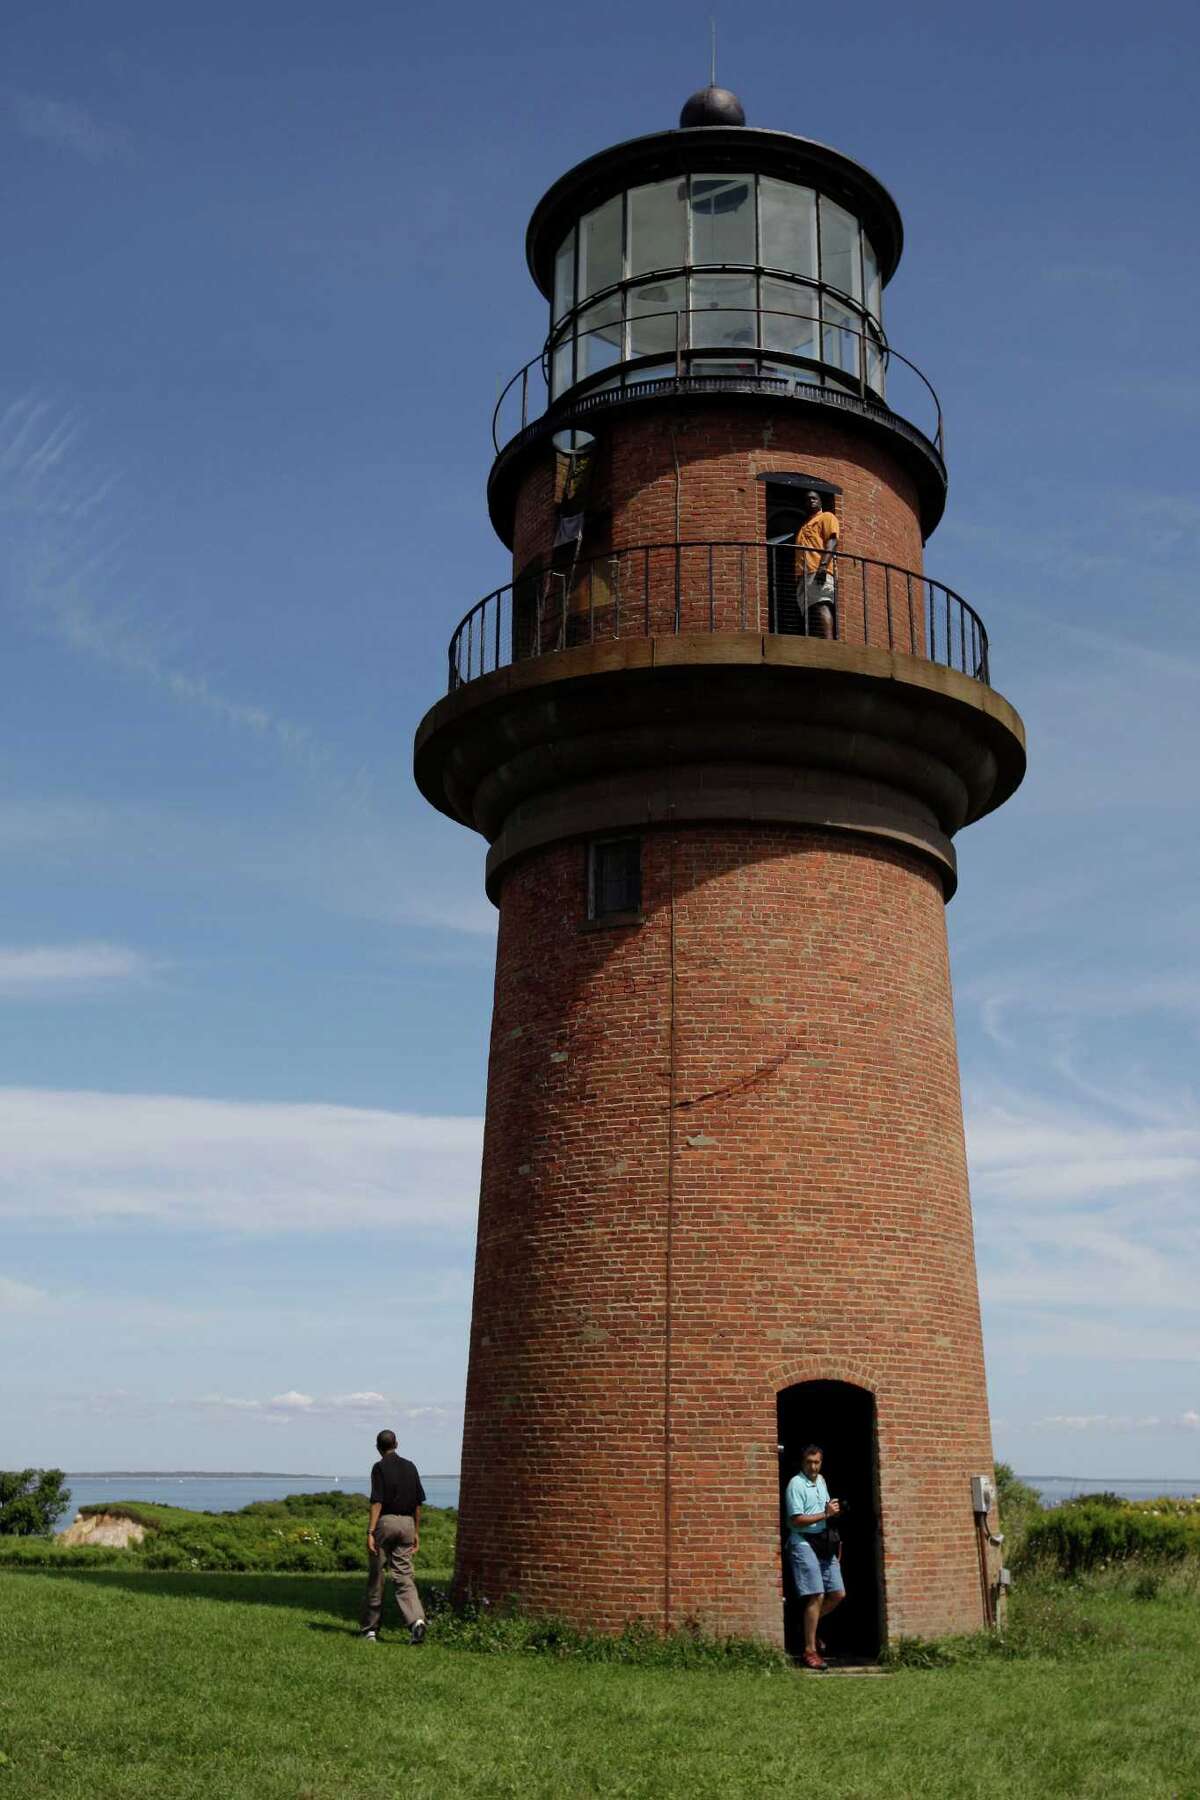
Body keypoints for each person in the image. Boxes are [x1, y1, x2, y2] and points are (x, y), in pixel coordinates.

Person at [360, 1429, 427, 1644]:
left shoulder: (379, 1467)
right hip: (407, 1524)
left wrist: (370, 1532)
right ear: (396, 1444)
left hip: (386, 1523)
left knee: (377, 1575)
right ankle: (416, 1620)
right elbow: (418, 1504)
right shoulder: (410, 1466)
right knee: (404, 1575)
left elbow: (377, 1501)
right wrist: (416, 1531)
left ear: (378, 1447)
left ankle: (371, 1629)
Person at [784, 1443, 845, 1670]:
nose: (813, 1467)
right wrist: (825, 1514)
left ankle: (807, 1627)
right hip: (802, 1540)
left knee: (838, 1593)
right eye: (809, 1462)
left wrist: (833, 1511)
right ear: (802, 1462)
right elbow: (796, 1520)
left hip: (823, 1542)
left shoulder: (821, 1481)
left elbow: (825, 1512)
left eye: (817, 1462)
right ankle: (810, 1651)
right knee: (816, 1594)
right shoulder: (796, 1484)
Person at [794, 489, 838, 639]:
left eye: (814, 498)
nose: (811, 501)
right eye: (807, 499)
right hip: (803, 575)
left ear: (820, 502)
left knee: (821, 604)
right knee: (810, 611)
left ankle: (829, 643)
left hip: (818, 570)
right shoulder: (804, 526)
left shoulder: (827, 517)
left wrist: (823, 566)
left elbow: (832, 541)